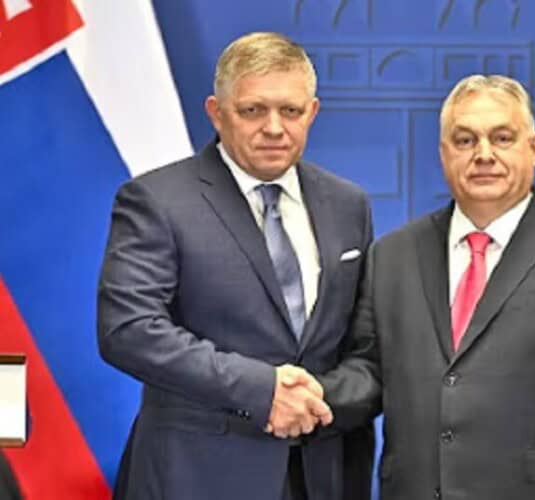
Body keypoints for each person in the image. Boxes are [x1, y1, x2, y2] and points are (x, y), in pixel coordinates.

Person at [315, 74, 535, 499]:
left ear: (534, 148)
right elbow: (370, 372)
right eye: (465, 140)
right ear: (444, 153)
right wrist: (307, 397)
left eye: (502, 138)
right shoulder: (392, 256)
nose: (483, 154)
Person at [97, 32, 374, 500]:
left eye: (290, 110)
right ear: (216, 112)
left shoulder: (349, 205)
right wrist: (264, 390)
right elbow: (129, 329)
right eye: (253, 110)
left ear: (312, 112)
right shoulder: (156, 201)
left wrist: (318, 401)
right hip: (198, 477)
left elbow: (366, 344)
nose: (274, 127)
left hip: (323, 474)